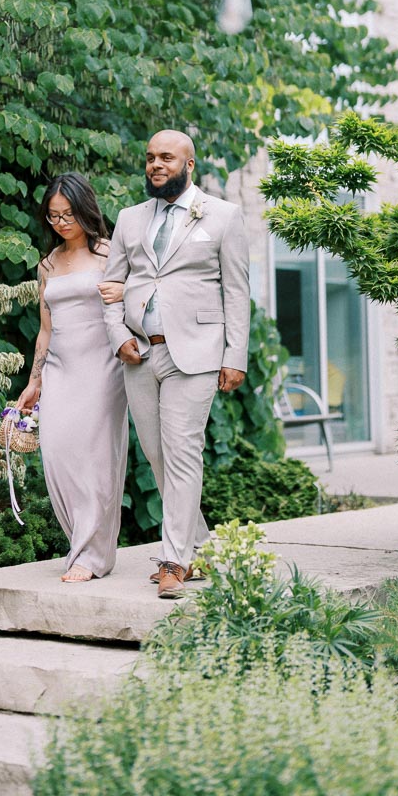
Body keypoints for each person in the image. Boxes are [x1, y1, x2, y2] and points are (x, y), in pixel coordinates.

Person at [102, 130, 250, 598]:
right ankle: (200, 548)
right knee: (157, 457)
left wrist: (235, 356)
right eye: (149, 158)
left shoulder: (223, 216)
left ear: (189, 164)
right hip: (141, 354)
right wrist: (119, 336)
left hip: (198, 353)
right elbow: (111, 289)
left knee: (183, 454)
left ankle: (174, 560)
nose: (155, 165)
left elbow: (238, 292)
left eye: (166, 157)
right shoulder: (129, 218)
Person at [17, 173, 129, 582]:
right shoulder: (47, 264)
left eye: (67, 214)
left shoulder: (110, 253)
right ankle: (80, 542)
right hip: (60, 369)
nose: (61, 223)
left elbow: (131, 304)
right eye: (52, 217)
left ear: (85, 210)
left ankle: (92, 555)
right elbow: (45, 329)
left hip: (103, 367)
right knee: (57, 455)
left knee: (96, 459)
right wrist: (35, 381)